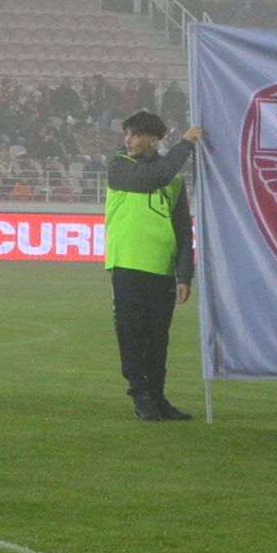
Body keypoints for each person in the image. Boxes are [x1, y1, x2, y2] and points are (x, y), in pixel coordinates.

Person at [106, 110, 200, 422]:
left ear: (154, 140)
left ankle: (157, 398)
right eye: (127, 134)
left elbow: (183, 229)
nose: (128, 141)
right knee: (131, 335)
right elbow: (152, 179)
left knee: (158, 340)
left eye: (135, 135)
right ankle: (139, 396)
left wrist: (184, 273)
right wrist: (186, 144)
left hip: (161, 270)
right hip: (127, 264)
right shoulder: (119, 166)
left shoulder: (171, 179)